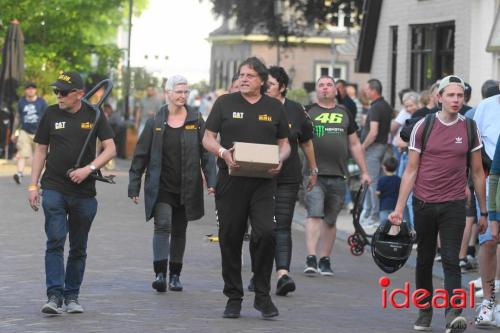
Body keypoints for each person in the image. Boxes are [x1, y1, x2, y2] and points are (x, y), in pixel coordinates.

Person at [388, 75, 486, 332]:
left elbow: (477, 172)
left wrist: (483, 210)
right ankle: (424, 311)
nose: (456, 100)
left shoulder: (469, 128)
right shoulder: (424, 126)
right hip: (424, 202)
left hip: (454, 203)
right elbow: (410, 171)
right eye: (451, 95)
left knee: (452, 258)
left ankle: (453, 314)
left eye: (460, 96)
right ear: (439, 97)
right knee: (425, 258)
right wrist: (399, 209)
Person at [202, 57, 291, 319]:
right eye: (241, 75)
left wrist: (279, 159)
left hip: (263, 183)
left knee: (265, 234)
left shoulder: (274, 107)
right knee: (230, 238)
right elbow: (207, 137)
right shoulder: (224, 103)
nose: (243, 79)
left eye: (250, 75)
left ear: (262, 81)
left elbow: (284, 143)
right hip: (231, 180)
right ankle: (233, 296)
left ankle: (262, 296)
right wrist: (222, 152)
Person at [29, 71, 116, 314]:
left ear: (79, 94)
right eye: (56, 91)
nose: (58, 96)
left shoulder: (94, 114)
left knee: (78, 247)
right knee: (55, 241)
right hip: (54, 188)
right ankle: (54, 296)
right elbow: (39, 151)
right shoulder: (50, 113)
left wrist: (89, 169)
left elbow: (110, 149)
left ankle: (72, 296)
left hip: (84, 193)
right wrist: (33, 185)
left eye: (63, 92)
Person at [129, 74, 216, 293]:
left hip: (187, 185)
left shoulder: (196, 121)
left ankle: (175, 275)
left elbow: (207, 153)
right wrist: (134, 184)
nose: (183, 95)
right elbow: (141, 155)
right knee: (163, 224)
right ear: (167, 93)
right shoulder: (155, 122)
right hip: (161, 185)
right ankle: (160, 273)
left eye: (186, 92)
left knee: (179, 230)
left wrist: (211, 180)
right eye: (179, 91)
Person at [303, 75, 371, 276]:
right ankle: (311, 258)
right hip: (313, 175)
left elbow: (355, 144)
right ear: (316, 90)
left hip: (339, 175)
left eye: (329, 85)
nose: (325, 88)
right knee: (314, 213)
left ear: (335, 90)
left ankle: (325, 259)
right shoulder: (307, 112)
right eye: (321, 85)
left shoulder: (344, 112)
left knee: (331, 220)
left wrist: (365, 172)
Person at [264, 65, 317, 295]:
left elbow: (306, 141)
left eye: (271, 85)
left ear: (283, 87)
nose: (266, 88)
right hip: (259, 176)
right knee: (263, 227)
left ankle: (283, 275)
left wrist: (313, 169)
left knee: (282, 223)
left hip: (288, 176)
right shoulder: (257, 106)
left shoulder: (296, 110)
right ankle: (260, 273)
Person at [472, 81, 500, 327]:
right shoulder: (486, 107)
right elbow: (475, 145)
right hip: (492, 179)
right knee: (490, 240)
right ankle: (489, 301)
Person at [361, 79, 393, 225]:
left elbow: (373, 132)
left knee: (372, 182)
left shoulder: (375, 108)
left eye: (367, 89)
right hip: (383, 146)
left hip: (373, 149)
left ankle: (373, 215)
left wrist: (362, 146)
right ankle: (375, 213)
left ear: (374, 90)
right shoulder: (386, 106)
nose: (365, 91)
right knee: (377, 181)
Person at [12, 82, 47, 184]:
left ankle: (41, 178)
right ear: (25, 90)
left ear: (35, 90)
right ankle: (19, 174)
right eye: (28, 88)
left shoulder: (42, 102)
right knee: (22, 153)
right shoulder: (21, 102)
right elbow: (17, 117)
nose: (30, 90)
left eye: (32, 88)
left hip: (39, 132)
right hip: (25, 131)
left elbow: (46, 117)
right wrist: (14, 132)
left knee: (40, 156)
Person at [376, 157, 400, 223]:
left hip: (384, 206)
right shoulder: (398, 179)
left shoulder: (381, 180)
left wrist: (378, 195)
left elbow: (378, 193)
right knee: (394, 224)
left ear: (384, 167)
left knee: (383, 225)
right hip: (395, 206)